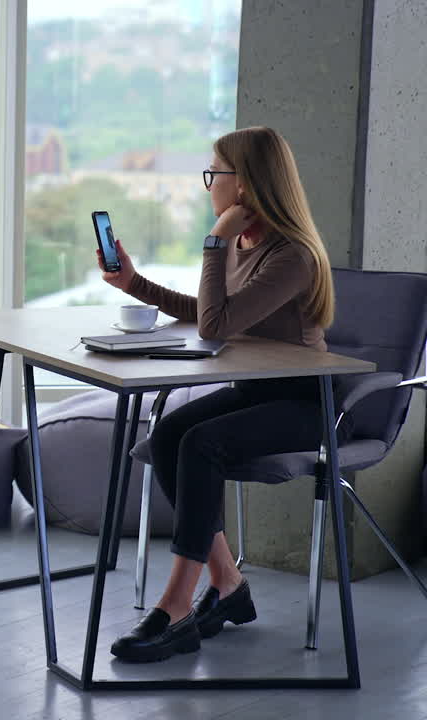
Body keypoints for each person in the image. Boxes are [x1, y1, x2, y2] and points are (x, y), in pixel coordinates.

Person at [98, 126, 340, 663]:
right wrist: (134, 284)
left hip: (305, 405)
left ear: (246, 184)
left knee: (200, 444)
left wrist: (214, 240)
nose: (209, 184)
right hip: (256, 393)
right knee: (169, 437)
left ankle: (176, 606)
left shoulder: (292, 256)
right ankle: (228, 586)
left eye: (215, 174)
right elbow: (209, 316)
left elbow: (214, 324)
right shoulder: (245, 242)